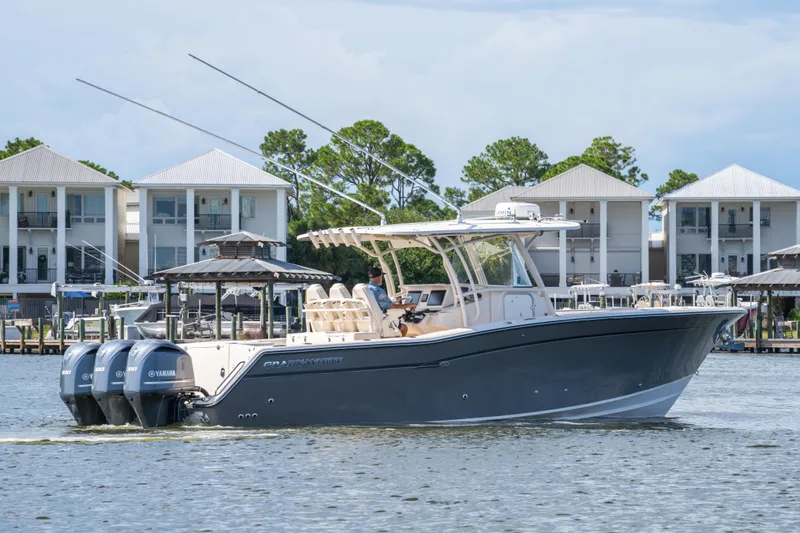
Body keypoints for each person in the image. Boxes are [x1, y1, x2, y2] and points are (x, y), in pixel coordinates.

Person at [366, 267, 415, 336]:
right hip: (380, 321)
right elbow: (392, 306)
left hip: (369, 320)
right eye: (381, 276)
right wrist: (409, 305)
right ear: (379, 277)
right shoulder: (378, 290)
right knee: (404, 328)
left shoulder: (366, 288)